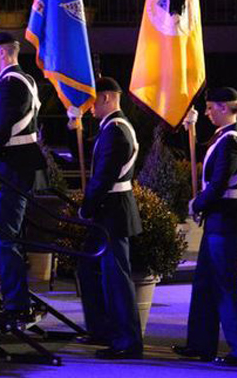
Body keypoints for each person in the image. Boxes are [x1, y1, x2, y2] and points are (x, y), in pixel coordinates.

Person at [173, 87, 237, 367]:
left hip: (226, 218)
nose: (208, 112)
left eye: (211, 108)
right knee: (204, 283)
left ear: (224, 108)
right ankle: (200, 344)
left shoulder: (232, 141)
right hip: (219, 217)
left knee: (225, 285)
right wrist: (193, 127)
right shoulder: (225, 137)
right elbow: (211, 163)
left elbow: (219, 181)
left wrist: (197, 204)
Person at [0, 31, 45, 327]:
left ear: (2, 54)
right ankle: (9, 291)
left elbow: (2, 127)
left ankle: (16, 303)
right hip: (16, 164)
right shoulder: (22, 80)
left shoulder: (9, 85)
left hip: (11, 165)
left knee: (5, 235)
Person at [76, 76, 143, 359]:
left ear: (106, 98)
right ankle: (102, 330)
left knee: (117, 279)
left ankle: (127, 341)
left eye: (93, 100)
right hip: (110, 209)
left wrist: (86, 207)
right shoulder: (112, 127)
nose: (90, 107)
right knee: (89, 269)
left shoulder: (116, 129)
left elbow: (103, 176)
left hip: (112, 210)